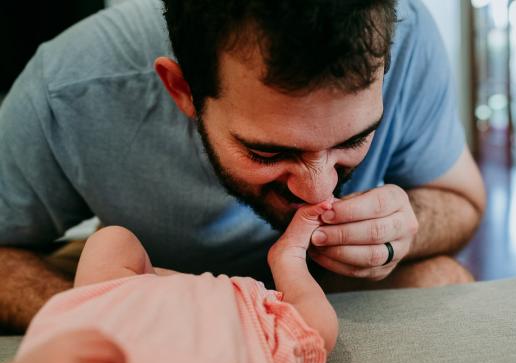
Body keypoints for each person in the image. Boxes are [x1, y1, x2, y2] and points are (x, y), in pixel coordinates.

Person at [0, 0, 486, 332]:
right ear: (183, 90)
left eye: (354, 139)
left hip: (330, 283)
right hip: (150, 285)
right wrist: (120, 315)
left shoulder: (407, 35)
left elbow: (463, 200)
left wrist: (405, 228)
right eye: (269, 152)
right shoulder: (70, 88)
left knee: (444, 279)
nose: (318, 192)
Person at [0, 201, 337, 363]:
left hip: (111, 309)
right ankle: (287, 258)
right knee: (318, 330)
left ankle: (156, 281)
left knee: (110, 242)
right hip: (246, 328)